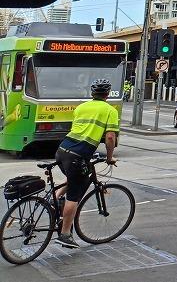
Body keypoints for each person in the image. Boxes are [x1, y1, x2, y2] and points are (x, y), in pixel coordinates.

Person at [53, 78, 119, 249]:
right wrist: (109, 157)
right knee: (74, 196)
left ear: (92, 93)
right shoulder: (110, 110)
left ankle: (55, 198)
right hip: (78, 155)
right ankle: (65, 235)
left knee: (76, 177)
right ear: (107, 94)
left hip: (62, 150)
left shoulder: (81, 107)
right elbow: (110, 137)